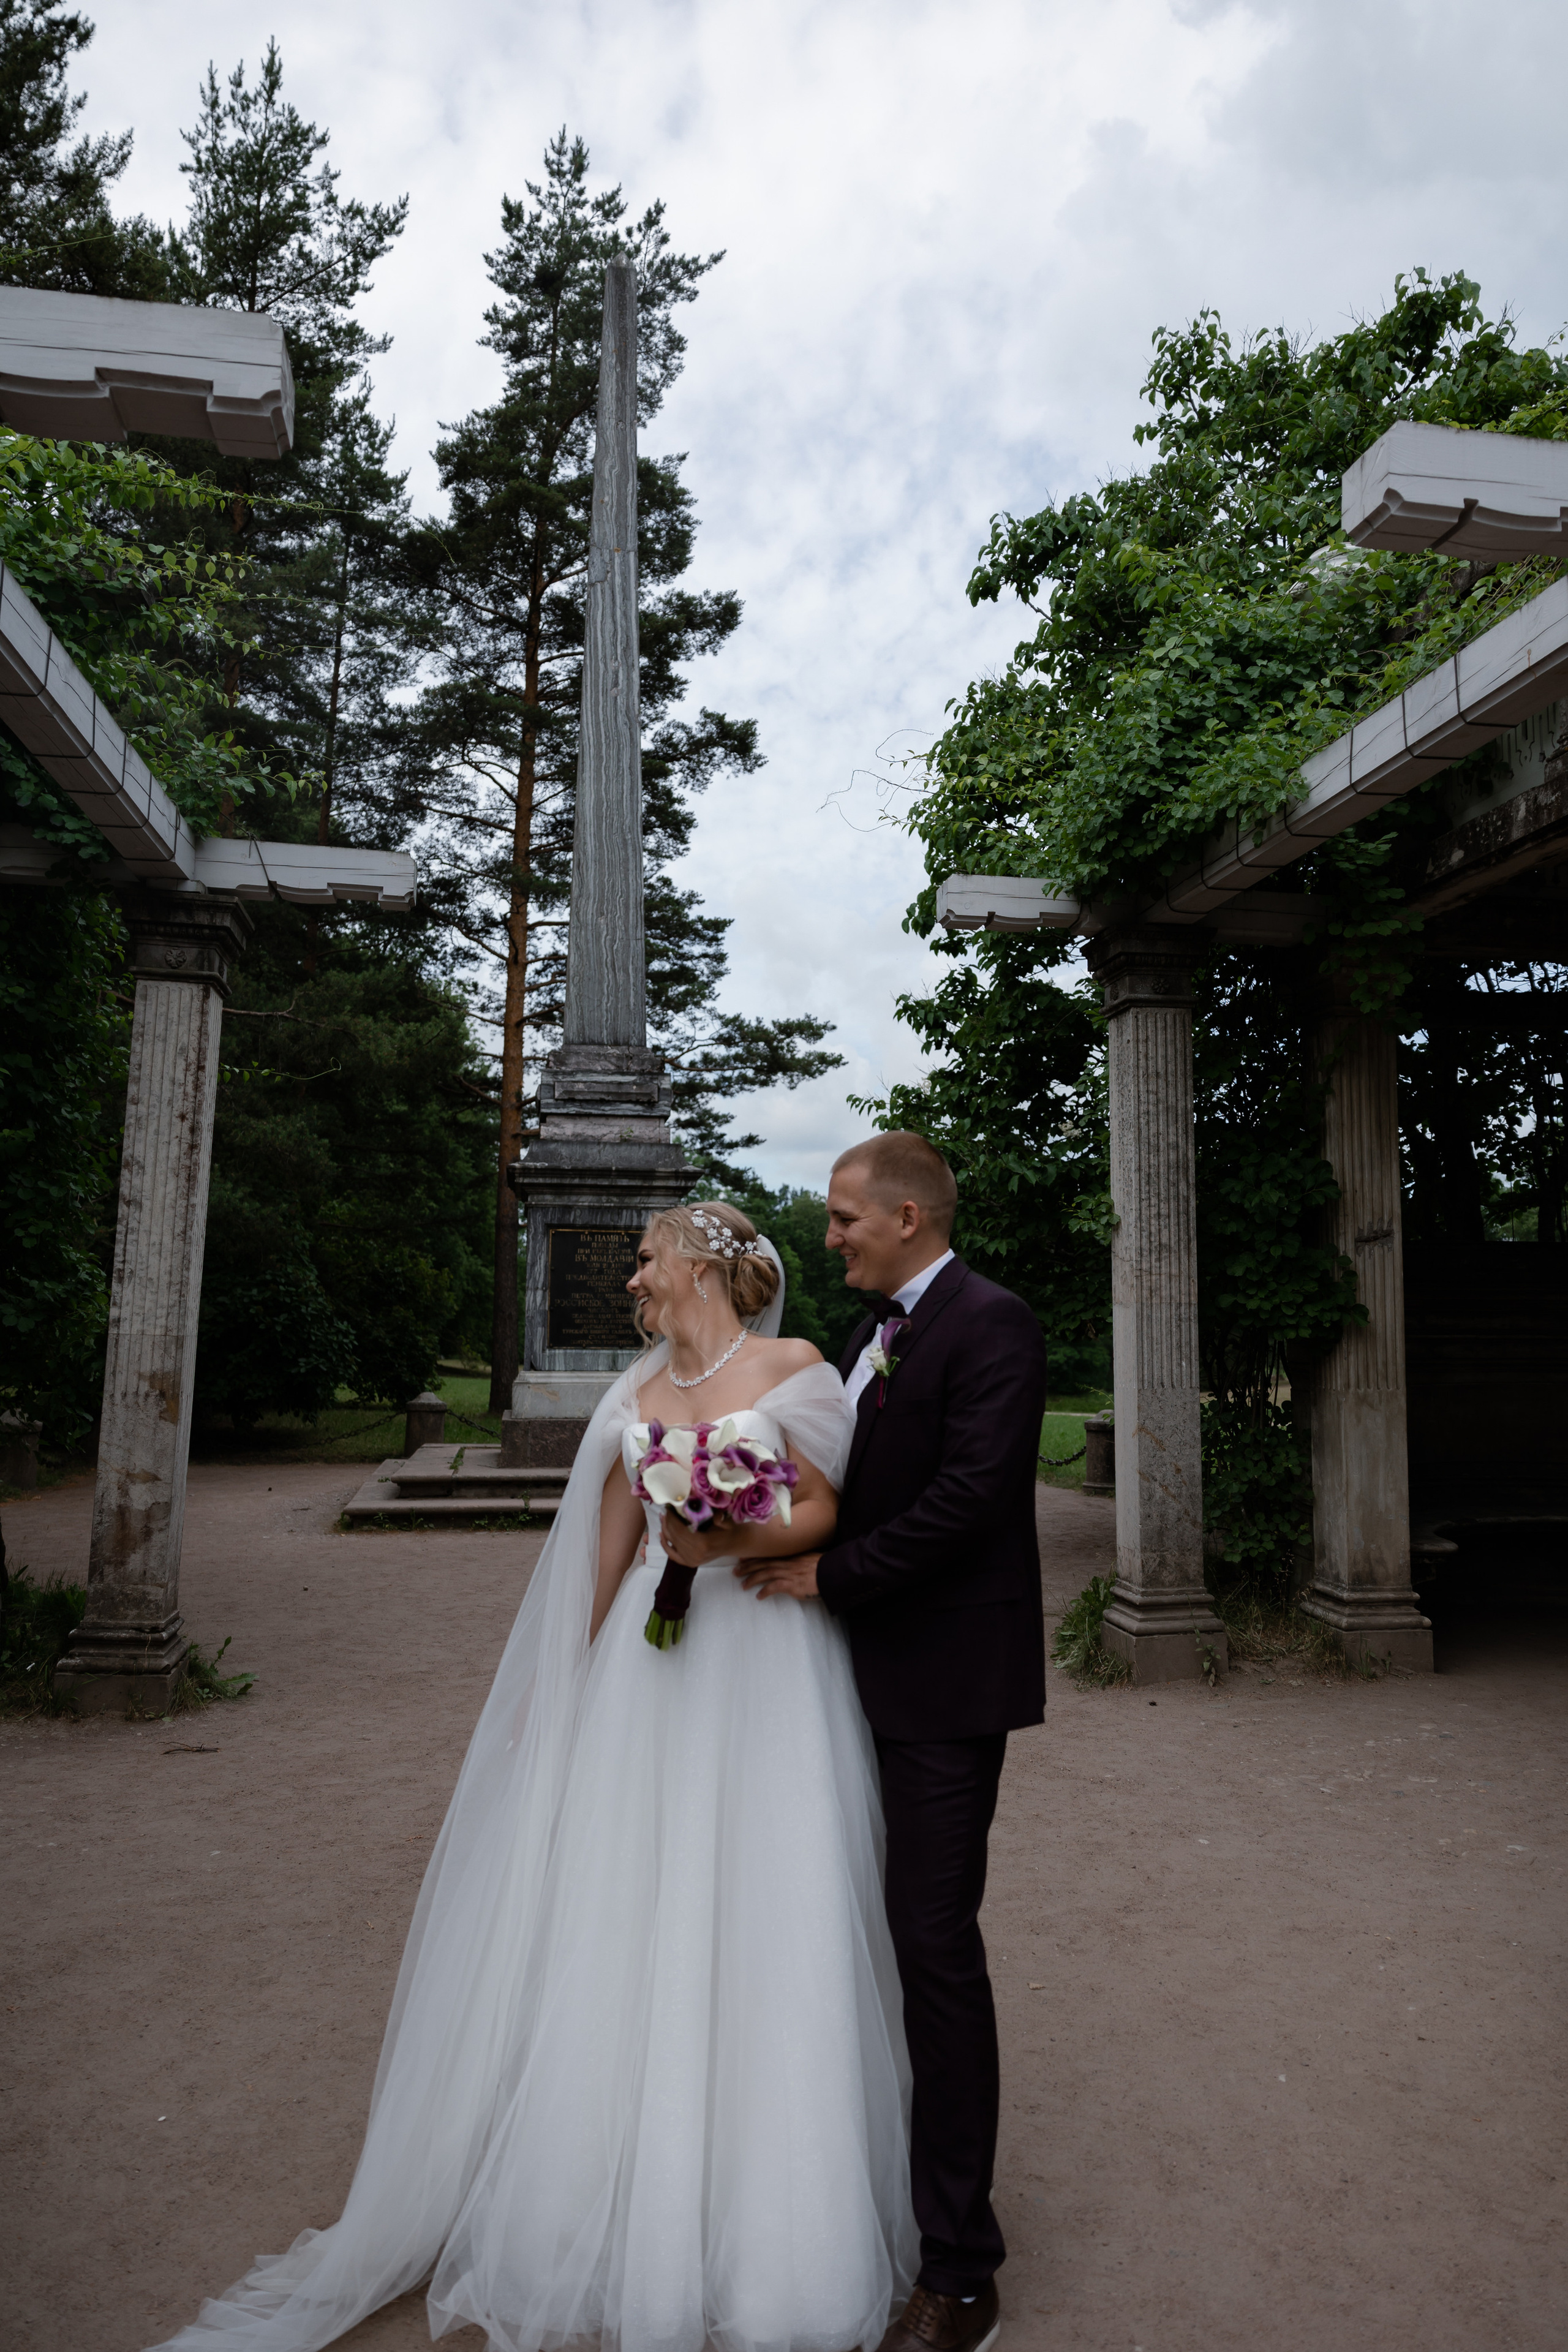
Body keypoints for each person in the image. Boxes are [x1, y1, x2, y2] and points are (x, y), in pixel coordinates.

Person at [148, 1202, 918, 2352]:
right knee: (621, 1914)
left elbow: (818, 1509)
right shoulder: (632, 1393)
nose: (635, 1281)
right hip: (651, 1682)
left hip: (764, 1664)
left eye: (649, 1260)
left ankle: (778, 2244)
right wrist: (560, 1683)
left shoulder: (796, 1368)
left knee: (768, 1909)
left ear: (702, 1263)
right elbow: (610, 1539)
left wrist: (718, 1540)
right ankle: (589, 2206)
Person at [738, 1135, 1047, 2352]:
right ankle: (860, 2192)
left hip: (944, 1688)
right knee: (847, 1935)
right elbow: (861, 1478)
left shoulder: (993, 1323)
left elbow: (971, 1501)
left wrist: (829, 1572)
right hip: (853, 1680)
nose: (827, 1238)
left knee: (931, 1950)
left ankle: (961, 2271)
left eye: (840, 1219)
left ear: (906, 1217)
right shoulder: (877, 1337)